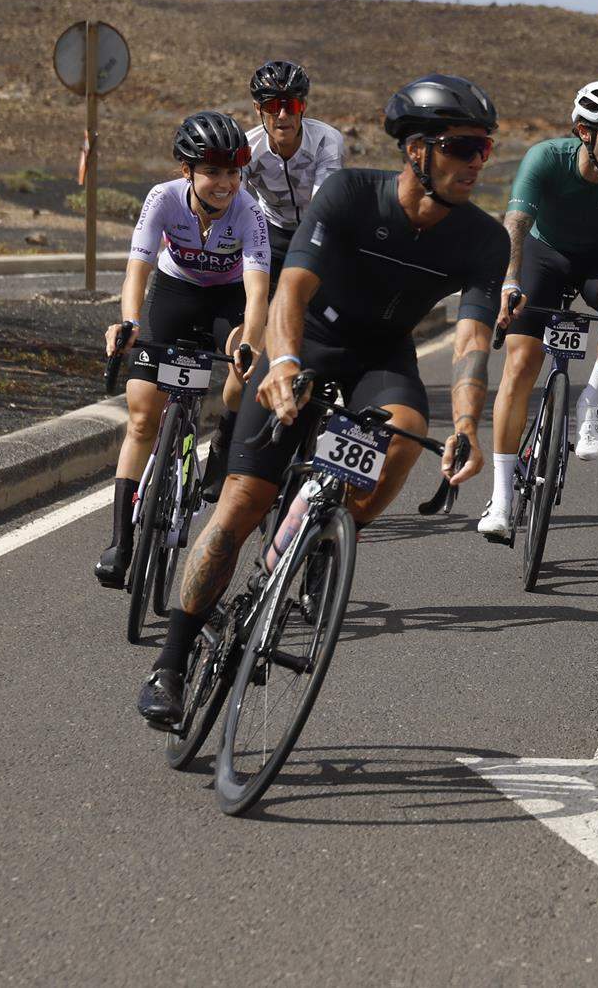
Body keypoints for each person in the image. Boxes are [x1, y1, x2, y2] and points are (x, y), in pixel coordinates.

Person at [135, 76, 504, 724]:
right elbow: (291, 291)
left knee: (407, 427)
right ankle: (170, 662)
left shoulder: (482, 238)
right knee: (241, 505)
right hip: (308, 341)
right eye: (462, 147)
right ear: (417, 150)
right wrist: (279, 364)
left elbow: (472, 337)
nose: (476, 162)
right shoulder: (350, 194)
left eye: (484, 149)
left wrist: (469, 423)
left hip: (383, 356)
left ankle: (330, 535)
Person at [96, 112, 271, 589]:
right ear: (186, 170)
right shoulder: (162, 199)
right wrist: (129, 323)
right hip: (175, 294)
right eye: (213, 171)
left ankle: (224, 445)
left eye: (234, 172)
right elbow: (139, 269)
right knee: (140, 417)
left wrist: (249, 342)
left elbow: (257, 295)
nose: (225, 183)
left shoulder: (250, 213)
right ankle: (120, 542)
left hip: (227, 300)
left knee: (243, 361)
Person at [478, 81, 598, 536]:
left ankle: (591, 401)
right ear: (584, 131)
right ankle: (500, 498)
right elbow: (516, 225)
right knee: (521, 364)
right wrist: (511, 281)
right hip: (545, 256)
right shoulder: (546, 158)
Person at [240, 60, 346, 280]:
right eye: (272, 106)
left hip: (319, 228)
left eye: (291, 106)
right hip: (272, 231)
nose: (282, 115)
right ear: (257, 109)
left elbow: (323, 207)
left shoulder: (326, 141)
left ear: (303, 107)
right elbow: (234, 204)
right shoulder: (247, 148)